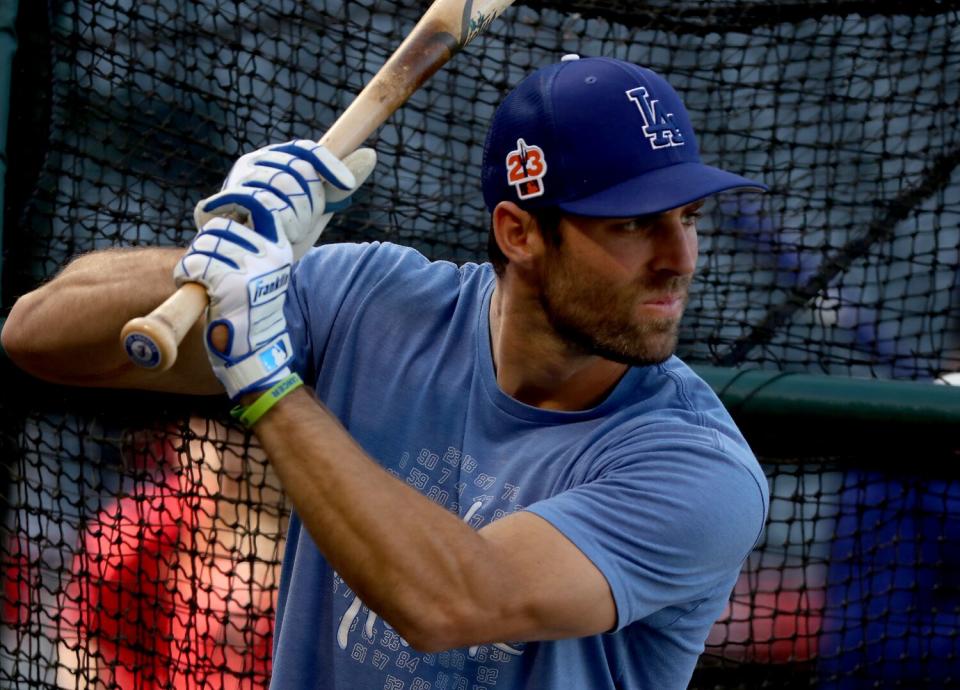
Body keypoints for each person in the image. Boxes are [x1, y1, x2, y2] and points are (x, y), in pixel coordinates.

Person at [2, 56, 770, 689]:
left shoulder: (695, 466)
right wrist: (222, 255)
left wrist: (266, 380)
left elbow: (450, 603)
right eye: (633, 224)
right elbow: (38, 335)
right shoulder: (373, 300)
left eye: (689, 217)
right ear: (520, 232)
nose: (679, 259)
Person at [56, 418, 287, 690]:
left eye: (235, 436)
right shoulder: (130, 534)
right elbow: (77, 642)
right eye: (205, 436)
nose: (223, 457)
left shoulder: (291, 546)